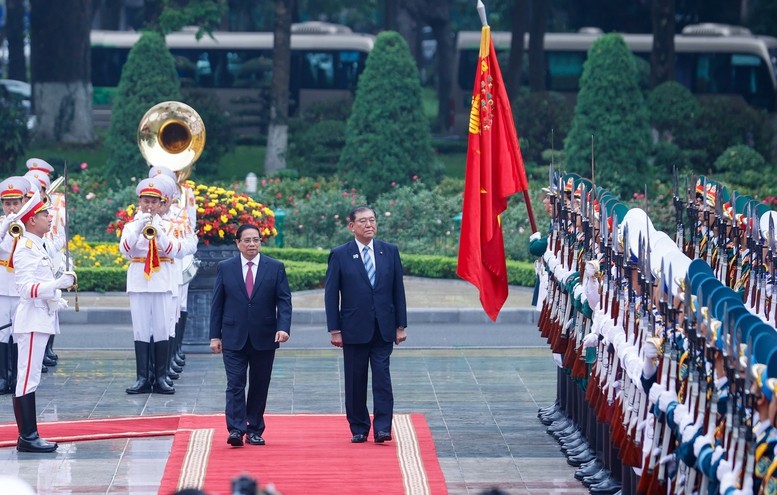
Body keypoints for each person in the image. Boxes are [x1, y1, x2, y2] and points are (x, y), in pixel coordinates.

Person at [324, 205, 407, 443]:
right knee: (355, 379)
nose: (369, 225)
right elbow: (331, 295)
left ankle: (383, 427)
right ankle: (359, 427)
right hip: (353, 329)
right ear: (352, 226)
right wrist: (335, 329)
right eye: (363, 221)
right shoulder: (340, 254)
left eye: (372, 220)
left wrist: (400, 325)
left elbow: (397, 291)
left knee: (382, 378)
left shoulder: (389, 251)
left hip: (384, 327)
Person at [209, 224, 291, 447]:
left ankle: (254, 429)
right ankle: (236, 429)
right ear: (237, 243)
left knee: (259, 384)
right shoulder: (226, 268)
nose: (252, 244)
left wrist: (283, 328)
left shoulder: (274, 267)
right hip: (233, 336)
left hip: (265, 337)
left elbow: (284, 301)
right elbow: (217, 304)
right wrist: (215, 336)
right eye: (247, 240)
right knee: (235, 383)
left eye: (256, 240)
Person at [12, 190, 75, 452]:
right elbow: (26, 288)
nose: (50, 217)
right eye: (43, 214)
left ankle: (30, 434)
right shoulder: (25, 249)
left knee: (31, 376)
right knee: (27, 378)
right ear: (30, 220)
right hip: (31, 319)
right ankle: (27, 436)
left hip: (41, 317)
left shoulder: (40, 246)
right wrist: (56, 284)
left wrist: (56, 295)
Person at [120, 178, 184, 395]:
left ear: (161, 204)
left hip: (161, 281)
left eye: (153, 202)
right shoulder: (131, 226)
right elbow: (126, 249)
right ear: (140, 202)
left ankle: (161, 376)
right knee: (140, 329)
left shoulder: (169, 226)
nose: (149, 206)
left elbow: (172, 250)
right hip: (139, 280)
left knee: (162, 329)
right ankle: (142, 377)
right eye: (145, 201)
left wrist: (159, 231)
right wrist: (139, 228)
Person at [0, 176, 31, 394]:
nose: (11, 208)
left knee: (19, 332)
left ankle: (19, 378)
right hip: (2, 285)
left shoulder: (29, 225)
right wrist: (3, 228)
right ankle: (3, 377)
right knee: (2, 333)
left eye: (15, 203)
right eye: (7, 203)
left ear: (23, 203)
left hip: (21, 285)